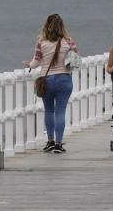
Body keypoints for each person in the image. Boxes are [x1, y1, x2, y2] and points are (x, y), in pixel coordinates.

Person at [24, 14, 79, 155]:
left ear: (46, 26)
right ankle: (59, 144)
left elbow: (35, 62)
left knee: (49, 111)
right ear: (62, 26)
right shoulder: (69, 41)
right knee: (60, 111)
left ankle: (50, 142)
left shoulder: (41, 42)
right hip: (64, 79)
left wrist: (28, 64)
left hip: (46, 79)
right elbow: (75, 59)